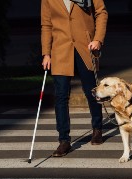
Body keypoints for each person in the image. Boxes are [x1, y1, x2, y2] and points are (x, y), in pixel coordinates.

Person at [41, 0, 108, 157]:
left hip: (85, 46)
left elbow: (101, 12)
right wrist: (46, 53)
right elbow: (46, 25)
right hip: (60, 49)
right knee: (61, 96)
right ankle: (64, 140)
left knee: (92, 92)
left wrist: (98, 39)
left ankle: (97, 128)